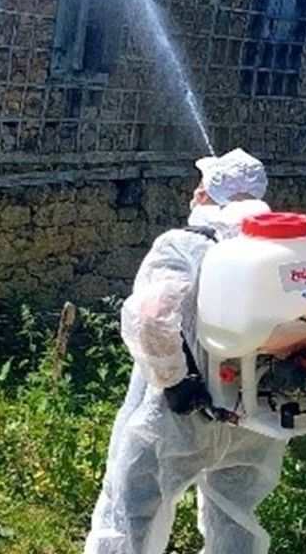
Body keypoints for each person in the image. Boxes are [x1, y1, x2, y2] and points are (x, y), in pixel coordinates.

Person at [83, 148, 286, 554]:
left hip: (181, 414)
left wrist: (174, 381)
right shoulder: (279, 247)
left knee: (133, 510)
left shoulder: (185, 244)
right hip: (255, 412)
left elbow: (151, 315)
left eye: (200, 188)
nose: (194, 194)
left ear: (210, 196)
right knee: (236, 516)